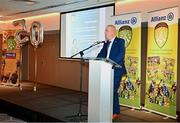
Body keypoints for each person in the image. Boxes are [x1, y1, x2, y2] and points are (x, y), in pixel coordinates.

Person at [97, 25, 127, 119]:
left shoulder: (120, 41)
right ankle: (112, 110)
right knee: (109, 91)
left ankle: (115, 112)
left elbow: (121, 55)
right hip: (106, 70)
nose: (105, 32)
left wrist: (110, 63)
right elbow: (101, 54)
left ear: (113, 32)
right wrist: (96, 59)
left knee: (112, 91)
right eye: (105, 31)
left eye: (107, 31)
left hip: (116, 70)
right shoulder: (106, 43)